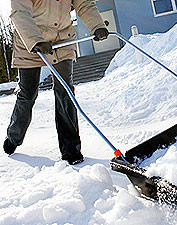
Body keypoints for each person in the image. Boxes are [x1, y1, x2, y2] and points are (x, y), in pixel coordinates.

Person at [3, 0, 109, 165]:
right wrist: (35, 40)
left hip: (62, 40)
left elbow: (84, 4)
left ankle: (71, 148)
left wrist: (97, 25)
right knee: (28, 93)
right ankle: (14, 137)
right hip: (29, 41)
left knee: (65, 90)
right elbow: (20, 12)